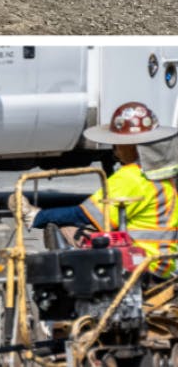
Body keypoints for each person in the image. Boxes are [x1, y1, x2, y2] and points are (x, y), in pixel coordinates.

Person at [10, 102, 178, 279]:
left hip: (140, 266)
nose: (116, 151)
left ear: (132, 146)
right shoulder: (165, 176)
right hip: (164, 264)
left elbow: (82, 214)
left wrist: (35, 216)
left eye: (118, 145)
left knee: (66, 229)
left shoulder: (132, 176)